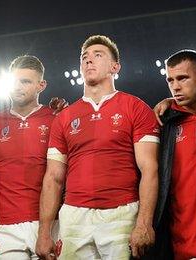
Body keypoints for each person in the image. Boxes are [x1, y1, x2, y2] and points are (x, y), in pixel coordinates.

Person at [35, 35, 159, 259]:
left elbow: (149, 169)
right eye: (84, 57)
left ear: (115, 66)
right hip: (73, 217)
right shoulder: (64, 118)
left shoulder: (136, 108)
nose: (88, 60)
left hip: (121, 215)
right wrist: (44, 232)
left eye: (97, 55)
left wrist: (144, 222)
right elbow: (53, 177)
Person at [0, 55, 57, 259]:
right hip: (8, 226)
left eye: (26, 81)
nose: (17, 86)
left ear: (41, 85)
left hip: (51, 225)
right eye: (13, 81)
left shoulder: (56, 119)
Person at [146, 49, 196, 259]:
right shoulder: (166, 122)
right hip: (179, 246)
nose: (175, 86)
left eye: (183, 78)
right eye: (170, 80)